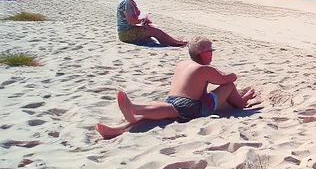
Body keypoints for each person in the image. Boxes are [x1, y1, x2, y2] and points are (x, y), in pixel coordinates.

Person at [95, 37, 258, 139]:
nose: (212, 53)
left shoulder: (183, 64)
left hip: (173, 99)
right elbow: (227, 79)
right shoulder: (204, 69)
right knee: (228, 86)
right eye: (210, 50)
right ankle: (242, 102)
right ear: (202, 53)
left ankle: (118, 127)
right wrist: (231, 76)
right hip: (194, 107)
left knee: (164, 110)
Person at [115, 0, 186, 46]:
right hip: (126, 34)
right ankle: (174, 42)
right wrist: (142, 20)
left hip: (124, 32)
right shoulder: (127, 2)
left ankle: (172, 41)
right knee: (156, 31)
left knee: (152, 27)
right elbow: (132, 21)